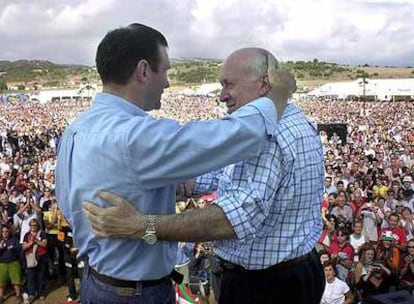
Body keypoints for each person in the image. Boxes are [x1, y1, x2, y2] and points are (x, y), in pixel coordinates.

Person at [56, 24, 282, 304]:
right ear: (143, 71)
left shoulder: (76, 128)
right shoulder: (135, 136)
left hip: (97, 280)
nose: (167, 82)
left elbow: (67, 204)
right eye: (165, 71)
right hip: (135, 292)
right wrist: (273, 97)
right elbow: (241, 134)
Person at [83, 49, 325, 303]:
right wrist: (178, 185)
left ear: (264, 83)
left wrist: (143, 225)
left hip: (267, 286)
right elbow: (228, 177)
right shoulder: (284, 121)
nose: (222, 96)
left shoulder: (270, 136)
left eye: (228, 84)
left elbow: (232, 218)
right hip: (283, 275)